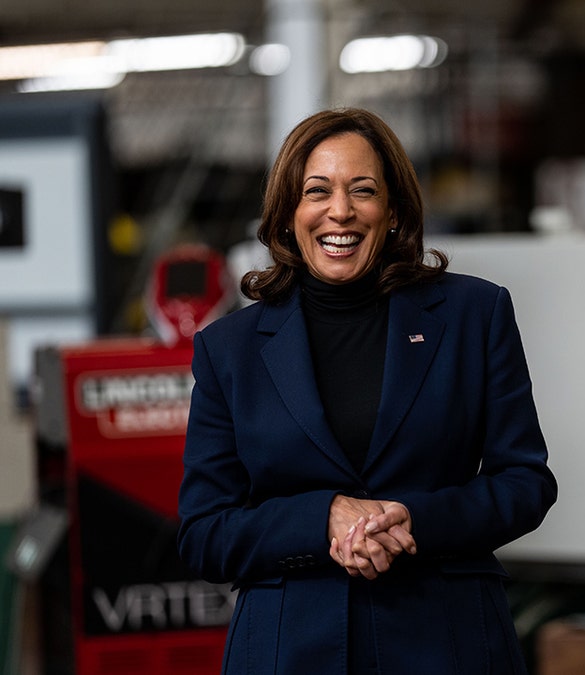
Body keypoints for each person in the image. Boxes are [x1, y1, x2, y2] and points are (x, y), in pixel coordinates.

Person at [177, 108, 557, 674]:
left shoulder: (475, 314)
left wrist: (413, 520)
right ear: (287, 215)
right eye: (316, 191)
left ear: (395, 210)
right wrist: (322, 517)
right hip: (289, 651)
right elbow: (203, 533)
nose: (341, 211)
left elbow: (526, 483)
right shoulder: (228, 350)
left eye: (363, 190)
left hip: (447, 641)